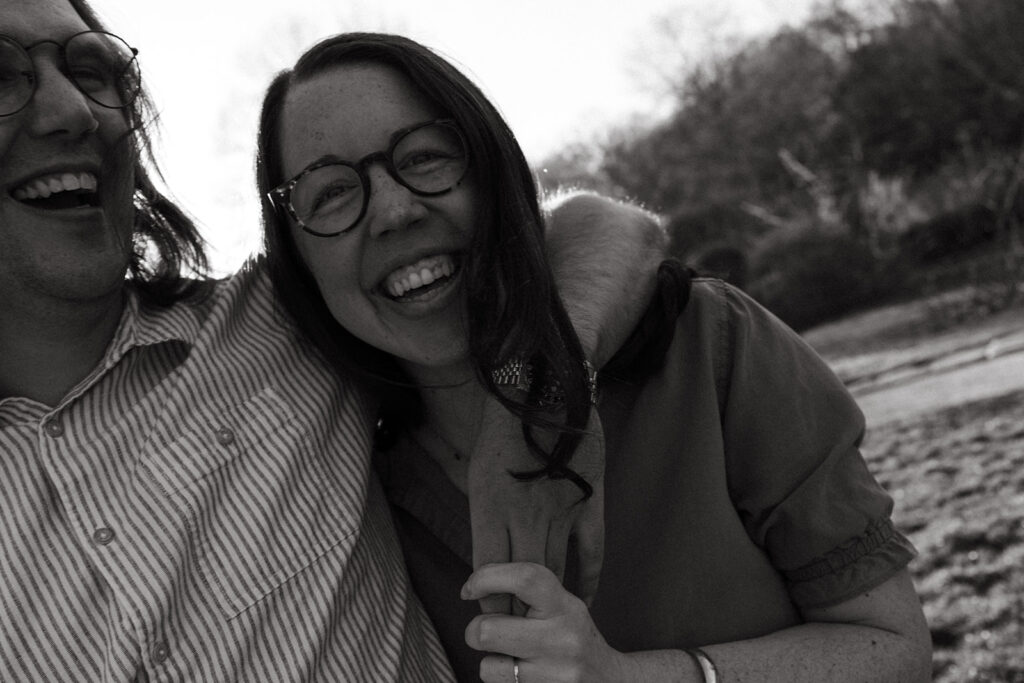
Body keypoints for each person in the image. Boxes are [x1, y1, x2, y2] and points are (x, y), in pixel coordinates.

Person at [0, 1, 667, 679]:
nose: (72, 111)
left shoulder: (282, 320)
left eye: (91, 70)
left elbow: (600, 230)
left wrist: (539, 399)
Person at [256, 32, 934, 683]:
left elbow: (894, 648)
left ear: (493, 168)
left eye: (425, 155)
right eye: (332, 193)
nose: (396, 209)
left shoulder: (708, 346)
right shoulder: (346, 500)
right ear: (298, 258)